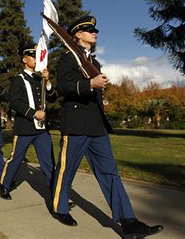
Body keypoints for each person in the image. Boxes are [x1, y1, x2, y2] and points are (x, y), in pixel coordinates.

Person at [52, 15, 163, 238]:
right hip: (75, 124)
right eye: (89, 30)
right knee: (67, 170)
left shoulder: (95, 63)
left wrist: (96, 86)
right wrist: (88, 84)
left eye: (95, 30)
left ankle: (128, 222)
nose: (95, 33)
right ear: (77, 35)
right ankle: (59, 208)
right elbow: (63, 88)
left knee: (110, 173)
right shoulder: (68, 58)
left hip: (96, 126)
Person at [0, 47, 58, 200]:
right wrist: (33, 113)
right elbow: (14, 102)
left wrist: (48, 81)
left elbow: (52, 98)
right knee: (16, 159)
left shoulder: (40, 79)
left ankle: (56, 195)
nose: (36, 59)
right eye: (33, 57)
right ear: (25, 60)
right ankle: (4, 184)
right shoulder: (18, 79)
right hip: (25, 127)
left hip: (42, 130)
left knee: (48, 162)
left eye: (37, 57)